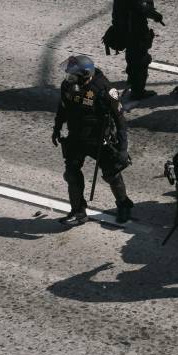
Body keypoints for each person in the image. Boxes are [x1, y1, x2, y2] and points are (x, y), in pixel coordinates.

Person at [52, 55, 136, 226]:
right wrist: (57, 127)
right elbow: (63, 107)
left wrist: (122, 149)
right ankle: (78, 212)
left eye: (72, 75)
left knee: (111, 174)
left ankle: (124, 204)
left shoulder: (104, 90)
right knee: (71, 174)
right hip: (76, 137)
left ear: (84, 75)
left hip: (99, 140)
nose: (68, 78)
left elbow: (120, 121)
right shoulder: (67, 85)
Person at [111, 0, 164, 101]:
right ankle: (138, 91)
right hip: (134, 24)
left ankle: (131, 78)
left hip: (121, 19)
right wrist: (156, 15)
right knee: (141, 58)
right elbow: (143, 7)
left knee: (131, 53)